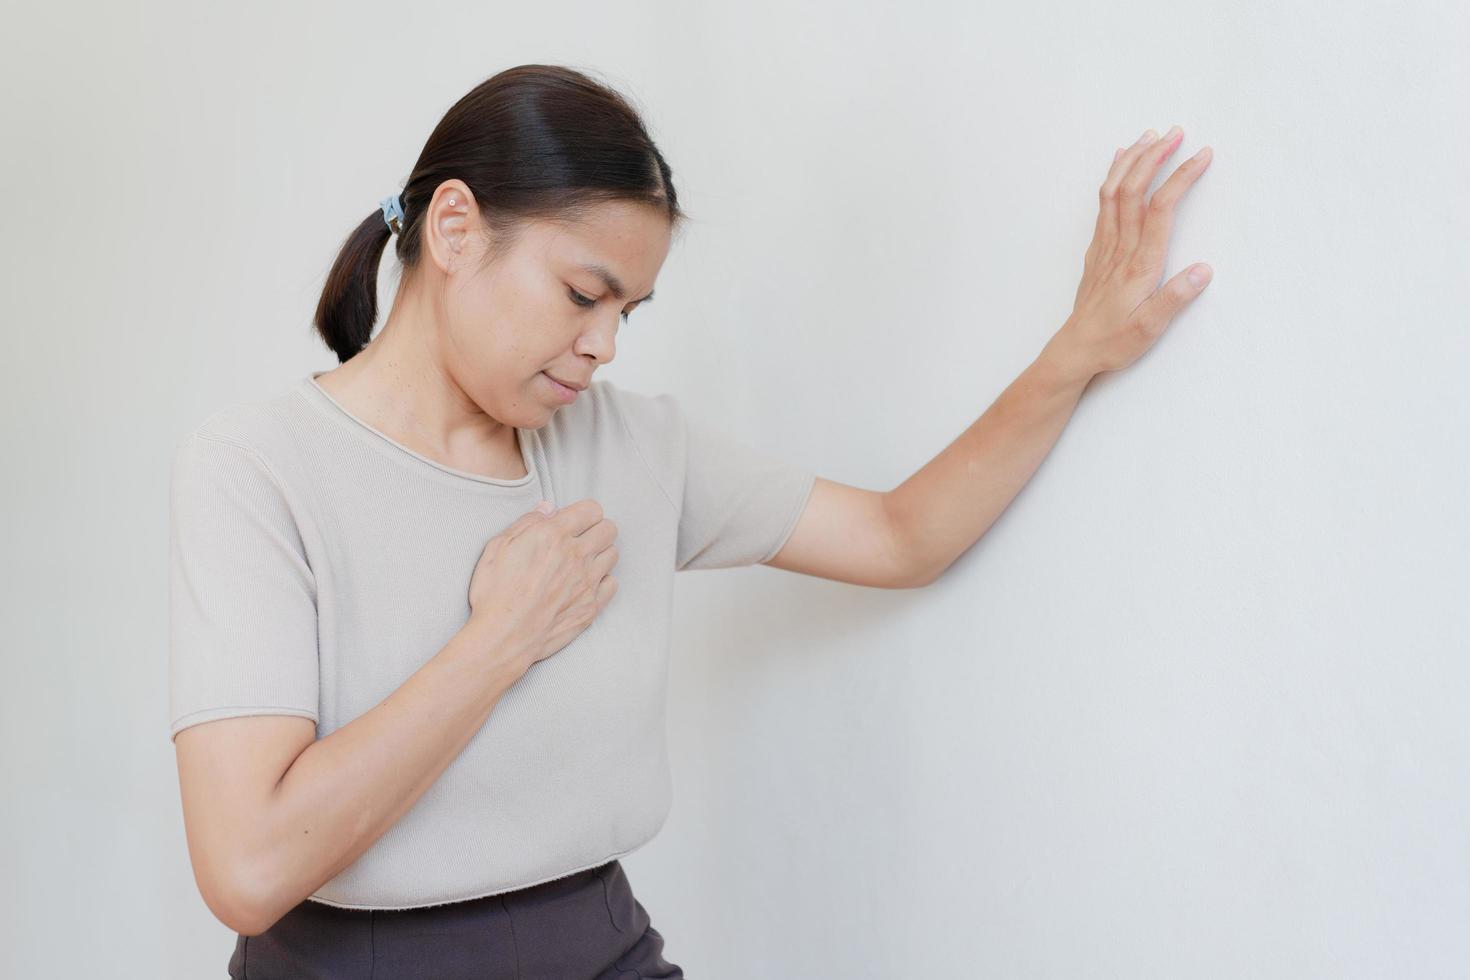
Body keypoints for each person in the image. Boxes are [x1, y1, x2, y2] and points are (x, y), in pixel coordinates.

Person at [169, 63, 1213, 979]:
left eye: (629, 311)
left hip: (602, 942)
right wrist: (499, 639)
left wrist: (1074, 353)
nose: (606, 344)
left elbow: (903, 535)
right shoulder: (260, 467)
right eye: (585, 293)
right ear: (453, 229)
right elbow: (249, 867)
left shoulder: (633, 447)